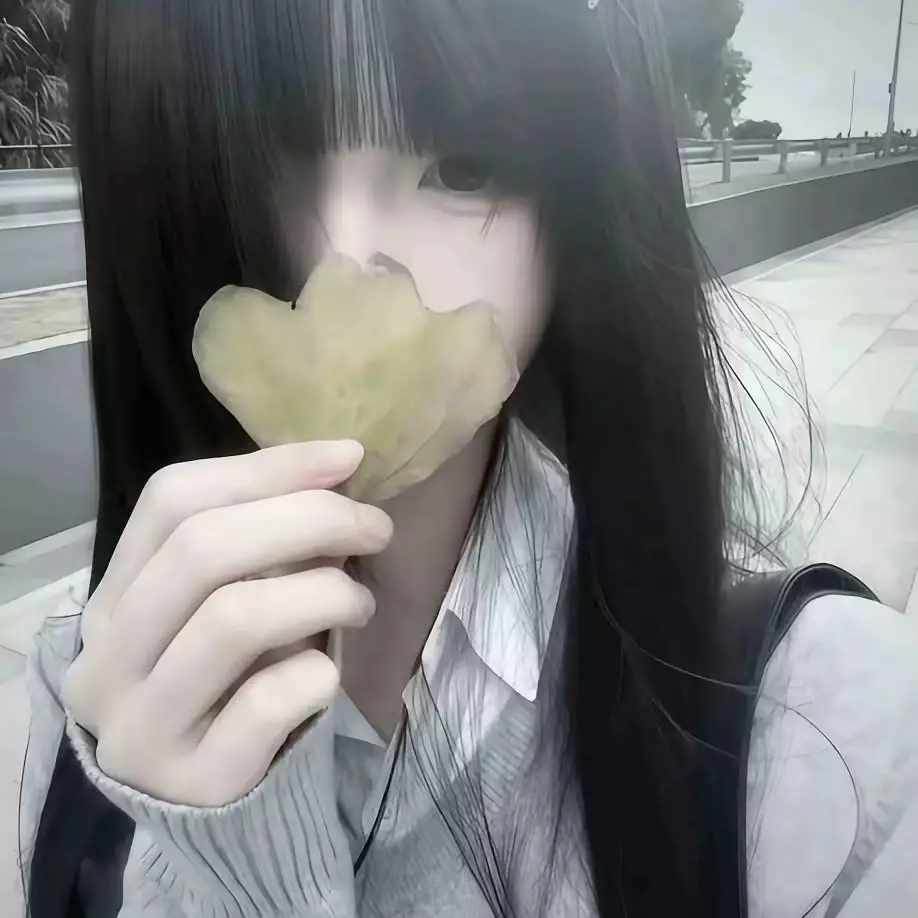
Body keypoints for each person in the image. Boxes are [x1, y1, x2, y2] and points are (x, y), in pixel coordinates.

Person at [20, 1, 918, 917]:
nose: (348, 262)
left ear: (579, 206)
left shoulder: (837, 749)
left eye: (465, 166)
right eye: (249, 156)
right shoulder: (77, 693)